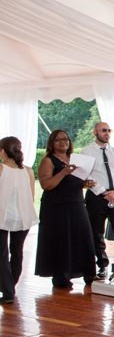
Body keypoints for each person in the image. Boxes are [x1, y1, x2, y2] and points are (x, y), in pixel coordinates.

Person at [35, 129, 97, 289]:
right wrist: (63, 172)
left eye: (66, 139)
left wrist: (85, 184)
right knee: (61, 240)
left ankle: (88, 273)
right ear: (52, 143)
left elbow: (73, 182)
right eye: (58, 140)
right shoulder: (48, 161)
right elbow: (47, 185)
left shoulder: (74, 159)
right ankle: (61, 275)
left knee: (83, 237)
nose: (63, 142)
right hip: (56, 207)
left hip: (75, 203)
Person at [80, 121, 114, 279]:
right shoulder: (86, 152)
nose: (107, 133)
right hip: (96, 197)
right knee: (96, 232)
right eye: (103, 130)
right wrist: (103, 192)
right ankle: (102, 265)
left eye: (108, 130)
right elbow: (86, 176)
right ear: (95, 132)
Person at [0, 137, 38, 304]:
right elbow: (31, 195)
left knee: (2, 254)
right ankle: (10, 287)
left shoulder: (1, 168)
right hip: (23, 217)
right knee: (17, 252)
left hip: (3, 216)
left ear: (3, 150)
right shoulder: (28, 170)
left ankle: (8, 290)